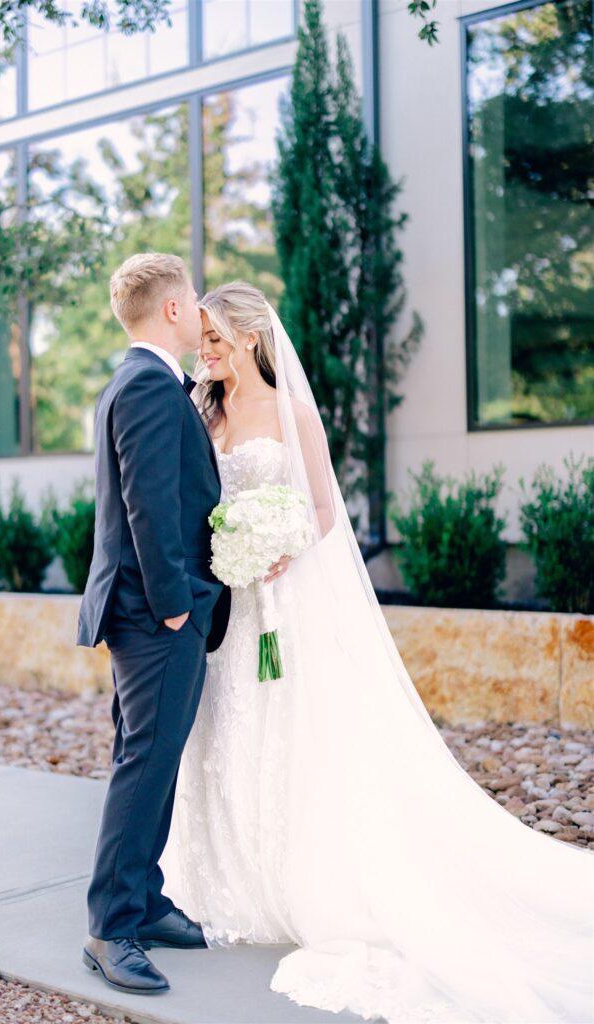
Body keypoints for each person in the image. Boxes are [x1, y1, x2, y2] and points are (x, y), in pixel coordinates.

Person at [159, 280, 594, 1024]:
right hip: (226, 609)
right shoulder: (202, 409)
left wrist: (275, 549)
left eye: (216, 340)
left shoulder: (292, 413)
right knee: (224, 729)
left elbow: (324, 511)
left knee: (292, 729)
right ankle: (225, 873)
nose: (205, 352)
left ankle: (298, 874)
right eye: (201, 340)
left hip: (283, 599)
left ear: (250, 339)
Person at [75, 253, 236, 995]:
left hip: (147, 609)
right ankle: (111, 927)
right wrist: (176, 601)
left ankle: (143, 901)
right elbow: (147, 502)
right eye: (193, 299)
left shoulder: (142, 380)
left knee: (153, 755)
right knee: (145, 761)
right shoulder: (144, 383)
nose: (199, 310)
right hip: (155, 612)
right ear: (171, 310)